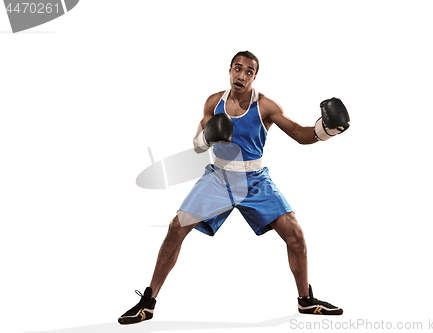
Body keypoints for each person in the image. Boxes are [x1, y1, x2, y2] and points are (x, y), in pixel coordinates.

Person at [118, 51, 350, 325]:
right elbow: (196, 145)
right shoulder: (213, 102)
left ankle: (306, 301)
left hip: (255, 181)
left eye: (248, 71)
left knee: (296, 235)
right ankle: (148, 303)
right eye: (237, 69)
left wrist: (325, 130)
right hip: (219, 178)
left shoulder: (265, 106)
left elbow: (300, 134)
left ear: (254, 76)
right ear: (229, 70)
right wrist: (207, 136)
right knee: (175, 228)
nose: (241, 75)